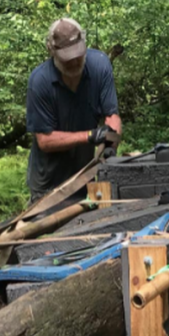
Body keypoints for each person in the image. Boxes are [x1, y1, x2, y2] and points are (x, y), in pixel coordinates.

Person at [24, 18, 122, 202]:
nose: (75, 61)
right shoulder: (40, 82)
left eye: (78, 54)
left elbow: (112, 116)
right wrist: (90, 136)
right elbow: (45, 140)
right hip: (49, 186)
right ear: (51, 51)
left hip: (87, 177)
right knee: (52, 230)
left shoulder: (100, 65)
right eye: (67, 58)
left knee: (95, 227)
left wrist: (111, 146)